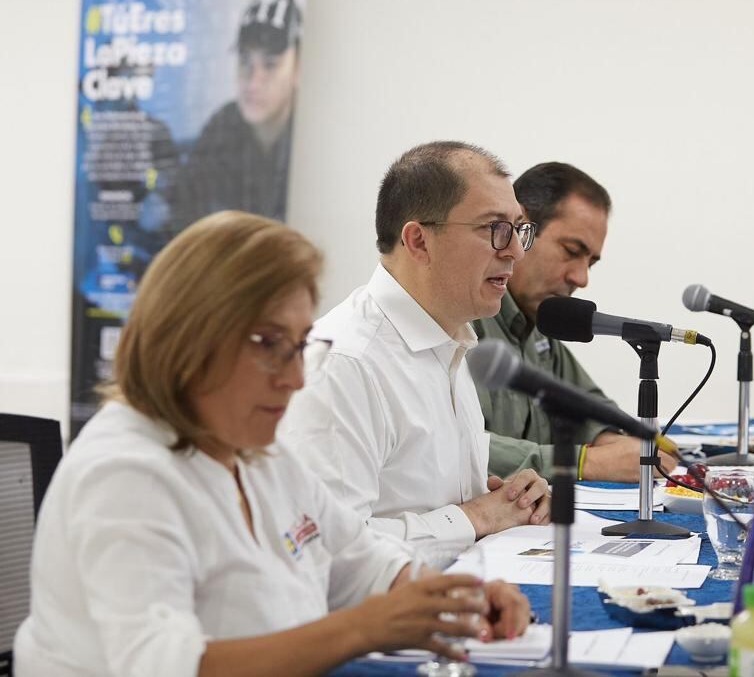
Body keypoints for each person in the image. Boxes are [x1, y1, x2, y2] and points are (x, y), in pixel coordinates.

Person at [14, 212, 530, 677]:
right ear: (187, 338)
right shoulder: (125, 473)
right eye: (269, 345)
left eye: (301, 345)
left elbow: (357, 559)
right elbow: (162, 665)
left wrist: (456, 598)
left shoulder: (257, 452)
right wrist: (362, 629)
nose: (295, 378)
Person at [280, 141, 551, 545]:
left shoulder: (451, 341)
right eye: (495, 229)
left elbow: (428, 502)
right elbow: (326, 546)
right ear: (419, 241)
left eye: (518, 230)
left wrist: (508, 499)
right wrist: (473, 518)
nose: (515, 251)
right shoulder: (344, 362)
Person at [473, 162, 678, 482]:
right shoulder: (463, 317)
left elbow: (585, 403)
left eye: (590, 263)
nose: (581, 279)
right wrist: (584, 462)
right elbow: (451, 450)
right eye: (571, 251)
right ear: (519, 227)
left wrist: (610, 439)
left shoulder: (538, 322)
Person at [168, 0, 301, 231]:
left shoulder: (311, 138)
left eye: (270, 64)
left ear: (298, 68)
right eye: (245, 62)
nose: (253, 81)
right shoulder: (222, 127)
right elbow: (181, 210)